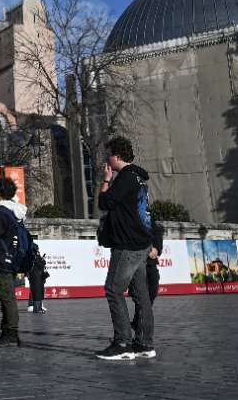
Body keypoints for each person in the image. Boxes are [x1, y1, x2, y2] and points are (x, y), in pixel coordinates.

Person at [96, 137, 155, 361]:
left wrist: (105, 181)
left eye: (108, 155)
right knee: (141, 296)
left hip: (128, 244)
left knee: (113, 289)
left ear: (117, 156)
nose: (107, 159)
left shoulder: (125, 178)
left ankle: (123, 343)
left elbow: (105, 203)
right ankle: (145, 344)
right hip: (141, 243)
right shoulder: (139, 177)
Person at [0, 176, 26, 347]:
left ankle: (11, 332)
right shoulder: (16, 212)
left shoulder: (0, 212)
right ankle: (8, 331)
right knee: (7, 295)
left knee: (6, 296)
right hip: (13, 258)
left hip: (1, 259)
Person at [129, 220, 163, 334]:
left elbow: (158, 231)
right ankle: (139, 328)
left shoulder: (149, 219)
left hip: (150, 264)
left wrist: (157, 248)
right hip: (135, 263)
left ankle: (137, 321)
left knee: (152, 291)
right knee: (140, 295)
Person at [27, 244, 49, 314]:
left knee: (39, 291)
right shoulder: (32, 256)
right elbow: (40, 264)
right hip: (35, 276)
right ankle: (36, 308)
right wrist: (41, 260)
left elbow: (43, 263)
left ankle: (39, 307)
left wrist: (42, 260)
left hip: (40, 276)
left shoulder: (36, 255)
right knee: (36, 292)